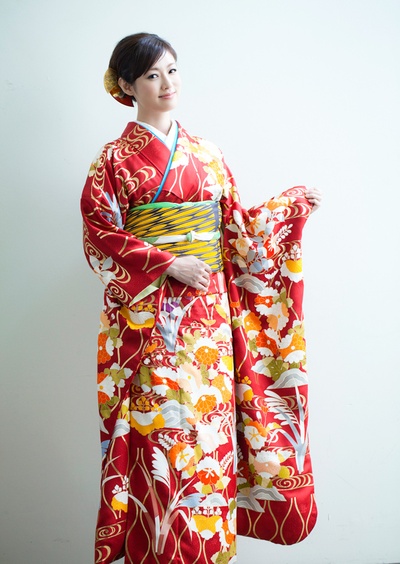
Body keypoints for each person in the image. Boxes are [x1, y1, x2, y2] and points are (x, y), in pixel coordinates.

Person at [81, 32, 322, 564]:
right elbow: (100, 233)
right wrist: (167, 262)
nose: (167, 83)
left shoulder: (207, 155)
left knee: (210, 433)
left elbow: (238, 230)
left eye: (172, 70)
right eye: (152, 75)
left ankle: (210, 550)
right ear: (127, 86)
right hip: (149, 320)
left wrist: (289, 209)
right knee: (161, 431)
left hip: (208, 316)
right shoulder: (113, 160)